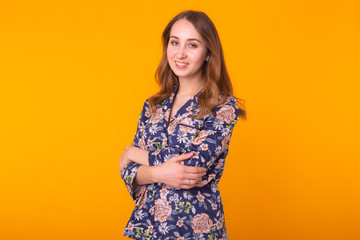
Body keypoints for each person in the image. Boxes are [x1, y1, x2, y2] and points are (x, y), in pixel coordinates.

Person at [119, 10, 246, 240]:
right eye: (174, 42)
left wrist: (133, 152)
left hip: (196, 229)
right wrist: (159, 172)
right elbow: (128, 172)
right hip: (149, 227)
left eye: (192, 45)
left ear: (208, 53)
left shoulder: (224, 106)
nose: (180, 53)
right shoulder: (153, 106)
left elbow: (191, 165)